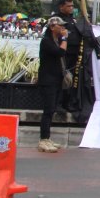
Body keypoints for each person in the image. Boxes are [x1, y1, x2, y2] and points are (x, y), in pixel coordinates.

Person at [35, 17, 69, 153]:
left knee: (52, 109)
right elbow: (60, 52)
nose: (62, 28)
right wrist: (65, 39)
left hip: (56, 80)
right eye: (60, 26)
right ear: (52, 27)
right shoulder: (46, 41)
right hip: (47, 80)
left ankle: (47, 138)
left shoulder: (56, 40)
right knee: (48, 110)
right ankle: (43, 139)